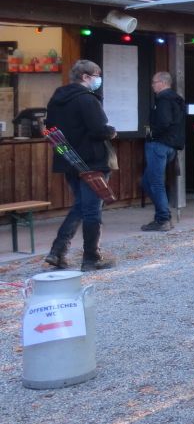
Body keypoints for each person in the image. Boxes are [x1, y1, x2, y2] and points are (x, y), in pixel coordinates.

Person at [45, 59, 117, 272]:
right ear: (85, 77)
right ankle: (91, 257)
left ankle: (58, 251)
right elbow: (98, 129)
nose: (98, 79)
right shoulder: (87, 99)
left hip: (69, 160)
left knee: (81, 206)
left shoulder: (57, 99)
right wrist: (111, 131)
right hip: (92, 161)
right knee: (92, 210)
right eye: (96, 75)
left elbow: (50, 129)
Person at [140, 71, 186, 232]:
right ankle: (163, 214)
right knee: (147, 182)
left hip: (159, 144)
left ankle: (163, 219)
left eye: (154, 82)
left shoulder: (163, 99)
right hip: (171, 145)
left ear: (163, 83)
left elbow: (164, 122)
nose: (152, 85)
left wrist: (151, 133)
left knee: (155, 182)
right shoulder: (177, 99)